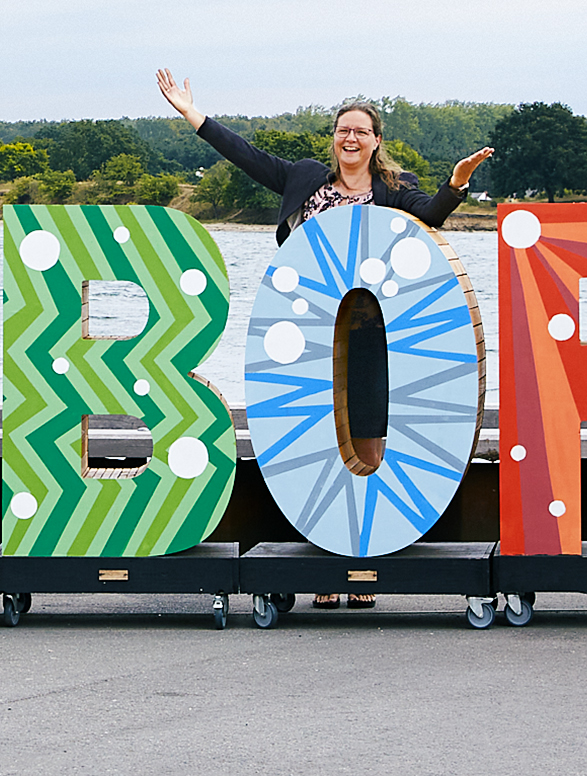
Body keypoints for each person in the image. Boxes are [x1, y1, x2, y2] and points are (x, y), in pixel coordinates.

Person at [158, 70, 495, 610]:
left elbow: (432, 214)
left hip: (372, 335)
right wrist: (193, 115)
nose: (350, 138)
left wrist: (456, 183)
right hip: (307, 338)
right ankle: (327, 562)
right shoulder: (305, 178)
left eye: (361, 131)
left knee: (368, 434)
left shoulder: (392, 190)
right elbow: (247, 156)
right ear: (334, 137)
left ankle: (360, 561)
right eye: (343, 130)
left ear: (376, 140)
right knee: (318, 442)